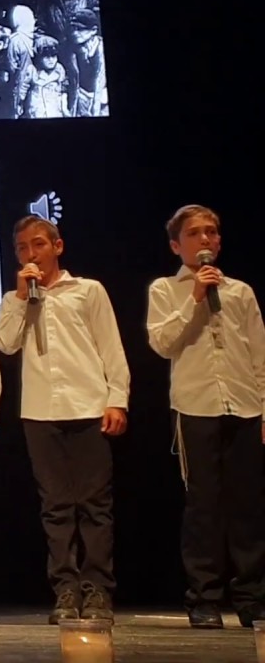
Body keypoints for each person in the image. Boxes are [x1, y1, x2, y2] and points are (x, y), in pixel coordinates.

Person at [0, 216, 129, 624]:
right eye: (22, 247)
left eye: (38, 244)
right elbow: (5, 344)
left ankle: (97, 589)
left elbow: (111, 348)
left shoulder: (87, 290)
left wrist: (117, 400)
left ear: (57, 246)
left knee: (94, 505)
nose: (30, 253)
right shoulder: (15, 298)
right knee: (55, 507)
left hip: (88, 407)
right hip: (40, 413)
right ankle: (66, 589)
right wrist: (21, 298)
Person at [146, 204, 265, 629]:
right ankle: (204, 598)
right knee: (204, 506)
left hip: (244, 405)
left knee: (248, 505)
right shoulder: (165, 289)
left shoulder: (240, 291)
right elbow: (162, 343)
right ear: (176, 245)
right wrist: (194, 298)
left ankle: (252, 597)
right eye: (195, 233)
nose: (205, 239)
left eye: (211, 232)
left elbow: (258, 352)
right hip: (195, 407)